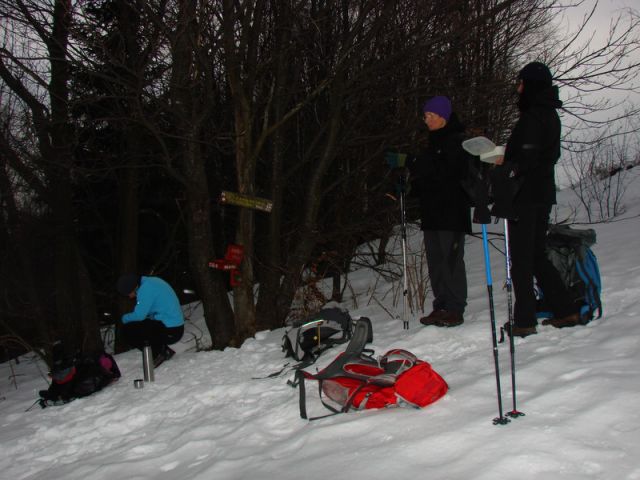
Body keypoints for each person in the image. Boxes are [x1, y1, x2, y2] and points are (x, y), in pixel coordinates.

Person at [491, 61, 580, 338]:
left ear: (530, 85)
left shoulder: (533, 117)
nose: (518, 88)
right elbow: (543, 156)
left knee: (522, 259)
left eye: (520, 83)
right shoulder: (549, 115)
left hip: (526, 195)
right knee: (536, 255)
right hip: (541, 193)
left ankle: (525, 320)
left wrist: (506, 165)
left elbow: (528, 157)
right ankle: (565, 309)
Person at [407, 96, 472, 327]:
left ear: (443, 116)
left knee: (451, 260)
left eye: (431, 116)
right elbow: (428, 176)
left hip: (452, 212)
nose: (427, 120)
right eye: (425, 116)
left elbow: (446, 172)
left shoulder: (457, 141)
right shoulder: (432, 143)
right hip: (432, 212)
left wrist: (415, 161)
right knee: (435, 260)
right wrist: (411, 185)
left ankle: (455, 307)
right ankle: (441, 304)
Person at [116, 273, 184, 366]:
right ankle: (162, 350)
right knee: (141, 326)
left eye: (128, 293)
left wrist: (124, 318)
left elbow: (139, 316)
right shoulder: (151, 282)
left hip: (171, 330)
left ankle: (158, 353)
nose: (130, 297)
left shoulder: (145, 289)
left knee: (127, 330)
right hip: (174, 326)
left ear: (133, 288)